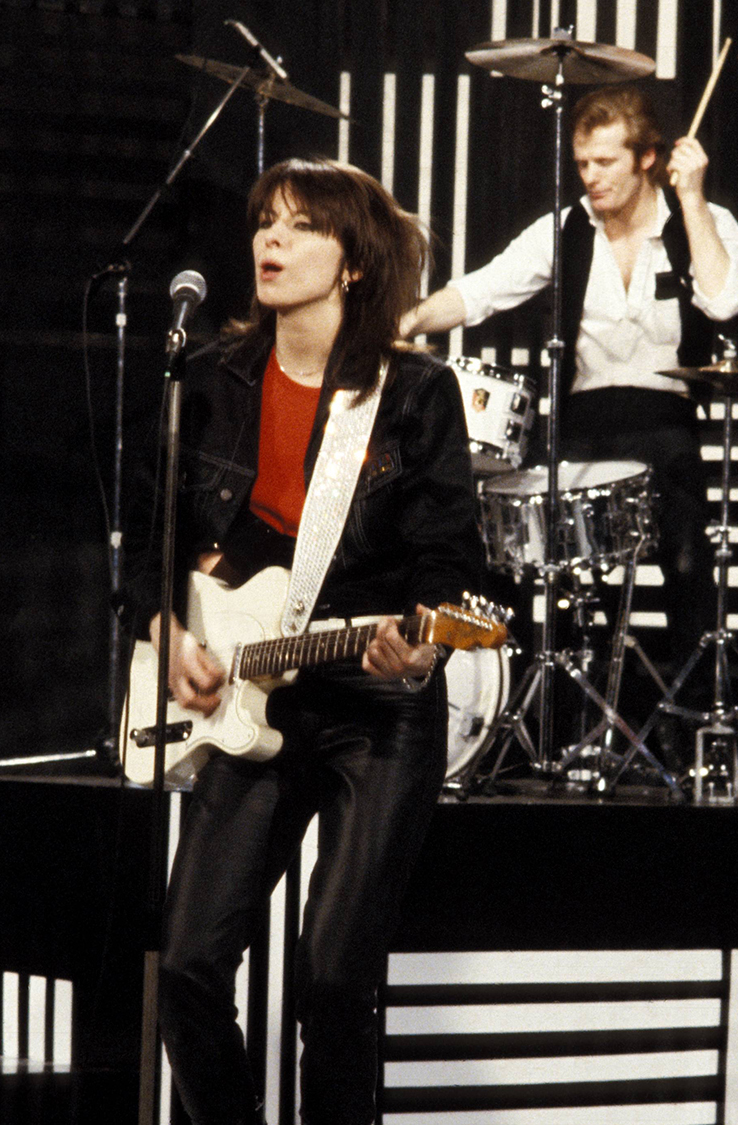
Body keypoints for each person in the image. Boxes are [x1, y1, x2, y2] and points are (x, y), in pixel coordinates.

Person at [132, 157, 483, 1125]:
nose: (270, 241)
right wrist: (169, 634)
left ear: (354, 263)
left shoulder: (413, 393)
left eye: (300, 227)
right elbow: (148, 544)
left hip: (374, 710)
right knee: (187, 965)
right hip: (248, 694)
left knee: (333, 978)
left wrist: (423, 647)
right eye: (265, 223)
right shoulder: (209, 377)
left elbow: (451, 563)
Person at [402, 82, 738, 668]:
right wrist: (407, 321)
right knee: (516, 544)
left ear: (647, 157)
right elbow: (480, 290)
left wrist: (691, 198)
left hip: (665, 421)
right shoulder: (563, 229)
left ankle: (692, 704)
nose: (591, 176)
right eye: (583, 163)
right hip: (581, 423)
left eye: (605, 162)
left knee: (689, 557)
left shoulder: (706, 221)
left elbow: (724, 300)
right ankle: (526, 689)